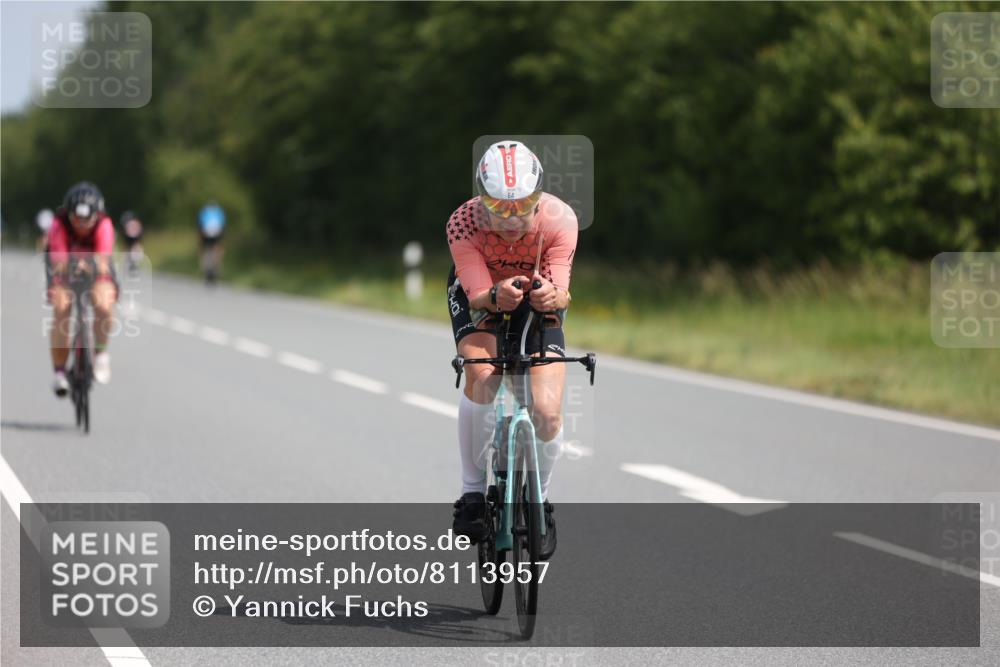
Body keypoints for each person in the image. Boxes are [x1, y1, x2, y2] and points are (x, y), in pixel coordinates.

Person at [446, 141, 578, 560]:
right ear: (479, 200)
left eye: (522, 205)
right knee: (483, 376)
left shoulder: (560, 219)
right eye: (497, 207)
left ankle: (540, 501)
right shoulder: (463, 222)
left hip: (534, 299)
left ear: (539, 196)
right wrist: (494, 294)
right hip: (480, 295)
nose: (511, 217)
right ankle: (471, 494)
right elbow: (477, 294)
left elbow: (562, 294)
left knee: (547, 412)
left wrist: (550, 298)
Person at [47, 182, 117, 395]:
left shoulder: (104, 224)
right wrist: (72, 267)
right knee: (61, 309)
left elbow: (103, 259)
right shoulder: (58, 224)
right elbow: (58, 262)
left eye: (87, 220)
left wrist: (91, 266)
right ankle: (59, 371)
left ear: (97, 215)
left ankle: (101, 354)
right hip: (64, 272)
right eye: (76, 219)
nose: (82, 225)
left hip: (97, 271)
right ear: (68, 215)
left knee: (104, 304)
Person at [197, 201, 226, 284]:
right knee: (217, 248)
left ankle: (205, 266)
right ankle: (217, 265)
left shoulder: (204, 211)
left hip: (205, 233)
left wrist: (200, 234)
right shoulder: (219, 212)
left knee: (204, 249)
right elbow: (223, 224)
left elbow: (200, 224)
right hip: (217, 233)